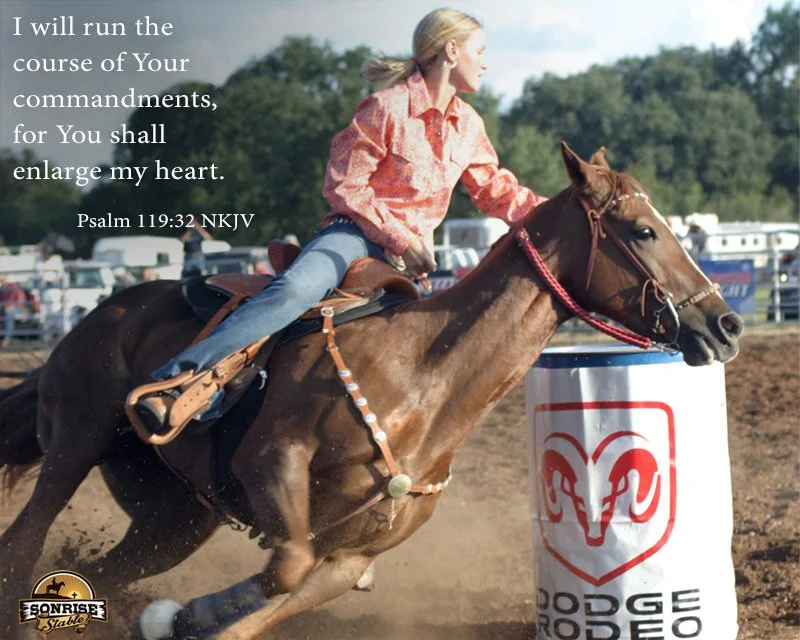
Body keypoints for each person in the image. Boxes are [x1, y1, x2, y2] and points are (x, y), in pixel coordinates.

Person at [132, 7, 547, 434]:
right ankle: (178, 381)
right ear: (451, 49)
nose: (485, 61)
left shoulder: (469, 126)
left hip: (410, 265)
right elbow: (344, 187)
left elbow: (498, 191)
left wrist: (571, 207)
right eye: (480, 50)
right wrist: (403, 238)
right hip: (354, 240)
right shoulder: (386, 108)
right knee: (294, 288)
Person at [0, 276, 27, 348]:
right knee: (7, 313)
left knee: (8, 314)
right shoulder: (3, 290)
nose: (2, 283)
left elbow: (20, 302)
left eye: (3, 281)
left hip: (17, 309)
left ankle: (7, 339)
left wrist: (10, 306)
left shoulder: (16, 289)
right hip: (5, 309)